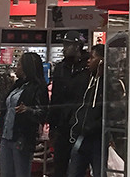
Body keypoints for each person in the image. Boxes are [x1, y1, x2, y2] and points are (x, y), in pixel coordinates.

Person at [68, 44, 124, 177]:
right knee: (74, 171)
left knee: (99, 172)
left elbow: (115, 112)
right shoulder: (88, 80)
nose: (88, 61)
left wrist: (96, 126)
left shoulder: (111, 84)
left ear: (102, 61)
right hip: (82, 137)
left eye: (92, 57)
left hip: (99, 139)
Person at [0, 52, 49, 177]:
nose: (16, 67)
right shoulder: (17, 85)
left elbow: (43, 113)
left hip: (22, 139)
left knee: (21, 173)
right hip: (6, 136)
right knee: (6, 173)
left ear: (27, 67)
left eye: (19, 64)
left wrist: (28, 110)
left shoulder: (38, 88)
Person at [49, 32, 90, 177]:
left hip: (82, 126)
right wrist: (52, 125)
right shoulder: (60, 68)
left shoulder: (88, 67)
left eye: (68, 44)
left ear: (77, 46)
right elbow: (55, 98)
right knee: (59, 167)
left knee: (78, 168)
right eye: (64, 44)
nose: (64, 48)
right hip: (62, 127)